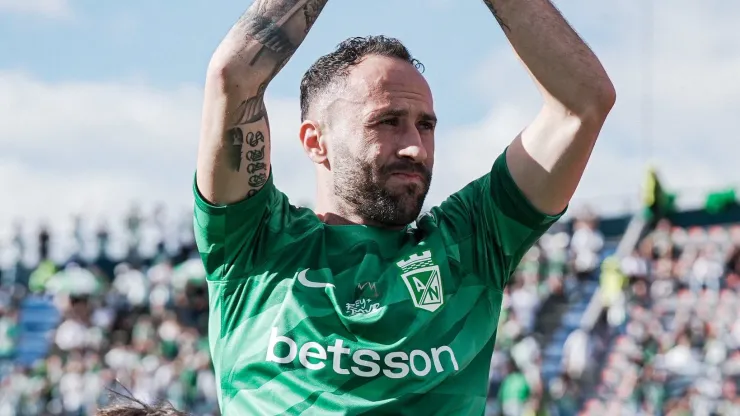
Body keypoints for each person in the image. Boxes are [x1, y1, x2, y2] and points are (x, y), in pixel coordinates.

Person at [193, 0, 615, 414]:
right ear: (315, 142)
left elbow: (582, 104)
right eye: (387, 122)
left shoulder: (471, 244)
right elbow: (235, 76)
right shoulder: (254, 243)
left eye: (426, 125)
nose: (415, 146)